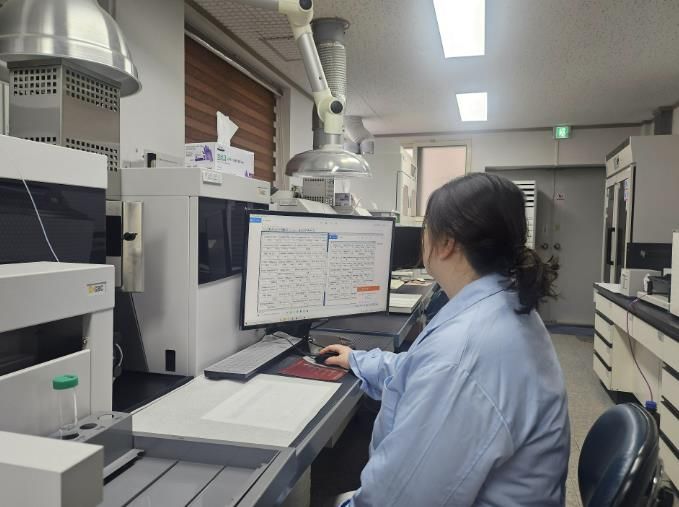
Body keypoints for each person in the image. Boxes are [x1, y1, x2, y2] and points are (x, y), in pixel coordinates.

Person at [322, 173, 570, 507]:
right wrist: (359, 360)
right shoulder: (501, 305)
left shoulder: (464, 352)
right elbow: (422, 370)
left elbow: (398, 500)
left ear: (447, 242)